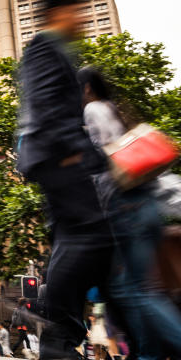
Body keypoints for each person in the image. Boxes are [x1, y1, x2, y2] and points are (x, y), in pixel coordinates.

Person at [16, 0, 114, 355]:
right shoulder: (45, 46)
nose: (84, 20)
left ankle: (59, 339)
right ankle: (58, 339)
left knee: (78, 243)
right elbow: (43, 104)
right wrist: (72, 152)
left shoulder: (56, 49)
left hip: (59, 157)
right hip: (59, 158)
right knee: (90, 239)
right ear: (60, 12)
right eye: (79, 11)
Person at [78, 66, 181, 357]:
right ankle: (148, 354)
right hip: (147, 206)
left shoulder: (94, 110)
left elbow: (103, 159)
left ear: (86, 89)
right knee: (136, 289)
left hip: (127, 207)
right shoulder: (117, 110)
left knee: (134, 290)